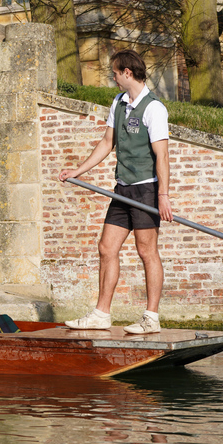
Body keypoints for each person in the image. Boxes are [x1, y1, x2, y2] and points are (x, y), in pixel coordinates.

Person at [59, 49, 173, 334]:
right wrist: (78, 170)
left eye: (115, 72)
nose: (112, 77)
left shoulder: (155, 108)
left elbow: (162, 156)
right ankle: (101, 314)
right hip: (122, 189)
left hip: (146, 189)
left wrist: (163, 195)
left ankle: (151, 317)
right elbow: (107, 142)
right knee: (106, 248)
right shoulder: (118, 103)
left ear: (127, 73)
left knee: (147, 251)